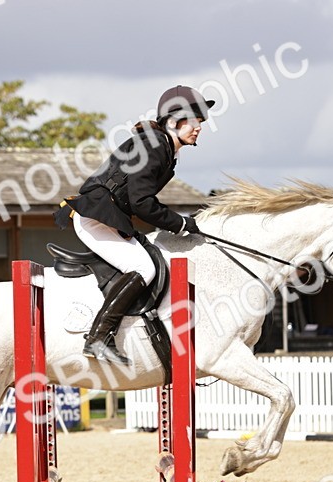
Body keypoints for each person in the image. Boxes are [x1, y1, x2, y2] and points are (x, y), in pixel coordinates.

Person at [54, 85, 214, 366]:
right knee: (144, 268)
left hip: (111, 218)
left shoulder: (164, 148)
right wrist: (181, 224)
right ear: (174, 121)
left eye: (201, 122)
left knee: (152, 257)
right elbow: (142, 203)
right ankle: (99, 338)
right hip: (97, 217)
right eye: (194, 120)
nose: (199, 127)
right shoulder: (154, 145)